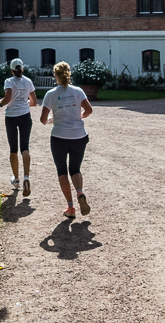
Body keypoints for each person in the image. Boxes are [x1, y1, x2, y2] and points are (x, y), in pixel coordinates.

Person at [40, 61, 93, 219]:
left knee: (62, 171)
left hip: (59, 136)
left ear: (55, 76)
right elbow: (89, 110)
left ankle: (70, 207)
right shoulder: (78, 91)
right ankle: (80, 192)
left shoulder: (51, 94)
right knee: (75, 169)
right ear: (69, 74)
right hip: (79, 135)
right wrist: (80, 116)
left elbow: (42, 119)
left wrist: (50, 119)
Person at [0, 58, 37, 196]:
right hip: (25, 116)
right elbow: (34, 101)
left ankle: (16, 179)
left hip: (12, 117)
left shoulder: (9, 81)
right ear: (22, 69)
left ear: (11, 70)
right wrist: (24, 103)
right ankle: (26, 177)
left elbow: (7, 98)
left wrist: (0, 103)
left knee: (13, 149)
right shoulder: (28, 81)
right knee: (25, 148)